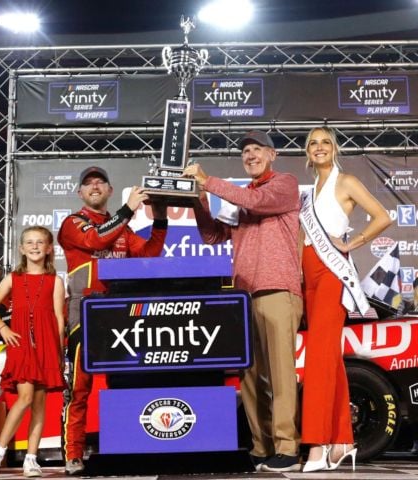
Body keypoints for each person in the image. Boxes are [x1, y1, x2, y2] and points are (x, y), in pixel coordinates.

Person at [183, 131, 303, 473]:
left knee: (281, 374)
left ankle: (288, 448)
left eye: (256, 149)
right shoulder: (241, 197)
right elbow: (211, 235)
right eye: (245, 151)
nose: (250, 155)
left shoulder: (285, 184)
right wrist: (197, 197)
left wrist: (208, 180)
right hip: (245, 294)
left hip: (278, 290)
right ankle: (262, 446)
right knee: (250, 377)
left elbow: (259, 203)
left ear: (272, 154)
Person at [58, 166, 168, 476]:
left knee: (125, 383)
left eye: (100, 182)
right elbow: (94, 241)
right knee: (79, 388)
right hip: (86, 313)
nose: (94, 186)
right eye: (88, 183)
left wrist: (159, 219)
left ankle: (127, 447)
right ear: (80, 193)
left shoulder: (122, 229)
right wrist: (128, 210)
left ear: (108, 190)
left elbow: (149, 257)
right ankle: (74, 454)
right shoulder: (72, 223)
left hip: (121, 313)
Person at [300, 126, 391, 472]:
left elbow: (384, 217)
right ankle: (342, 441)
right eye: (313, 143)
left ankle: (317, 445)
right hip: (310, 276)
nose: (319, 147)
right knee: (330, 361)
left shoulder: (347, 181)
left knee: (319, 360)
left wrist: (352, 244)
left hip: (331, 275)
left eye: (325, 142)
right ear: (308, 152)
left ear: (334, 148)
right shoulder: (309, 194)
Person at [0, 226, 66, 479]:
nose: (35, 246)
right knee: (25, 398)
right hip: (21, 346)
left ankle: (31, 459)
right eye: (30, 242)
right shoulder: (13, 278)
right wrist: (3, 328)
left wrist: (58, 355)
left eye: (40, 242)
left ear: (49, 248)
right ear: (21, 248)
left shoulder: (55, 281)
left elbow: (59, 319)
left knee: (39, 404)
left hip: (47, 348)